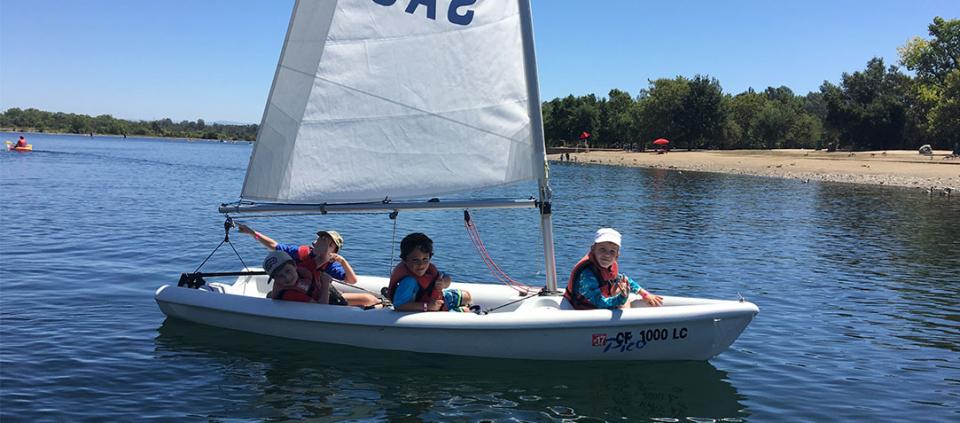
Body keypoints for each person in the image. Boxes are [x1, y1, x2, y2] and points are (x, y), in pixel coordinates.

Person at [237, 223, 380, 308]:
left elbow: (352, 281)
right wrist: (252, 233)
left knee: (369, 299)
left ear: (334, 250)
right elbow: (274, 246)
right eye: (321, 239)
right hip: (308, 297)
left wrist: (342, 261)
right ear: (314, 242)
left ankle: (382, 304)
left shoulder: (330, 266)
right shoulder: (299, 253)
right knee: (367, 300)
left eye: (329, 243)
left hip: (315, 292)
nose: (323, 242)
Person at [563, 228, 663, 310]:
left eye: (612, 251)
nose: (607, 255)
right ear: (593, 250)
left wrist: (645, 294)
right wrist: (621, 298)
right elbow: (600, 302)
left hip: (600, 306)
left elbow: (625, 280)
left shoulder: (608, 268)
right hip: (585, 312)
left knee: (621, 286)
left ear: (617, 256)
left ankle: (626, 325)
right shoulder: (587, 275)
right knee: (622, 294)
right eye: (602, 249)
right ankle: (625, 326)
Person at [386, 232, 474, 312]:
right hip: (426, 307)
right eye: (415, 260)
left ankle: (456, 308)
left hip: (436, 299)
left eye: (425, 259)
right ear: (405, 260)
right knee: (466, 311)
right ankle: (458, 310)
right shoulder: (408, 281)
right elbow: (399, 305)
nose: (421, 265)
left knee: (467, 296)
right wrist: (427, 306)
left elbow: (446, 277)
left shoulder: (428, 270)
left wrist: (443, 283)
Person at [262, 250, 331, 303]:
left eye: (288, 271)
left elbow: (323, 258)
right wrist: (326, 283)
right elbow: (321, 309)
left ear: (295, 265)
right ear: (275, 280)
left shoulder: (302, 268)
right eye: (280, 276)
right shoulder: (289, 294)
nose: (287, 278)